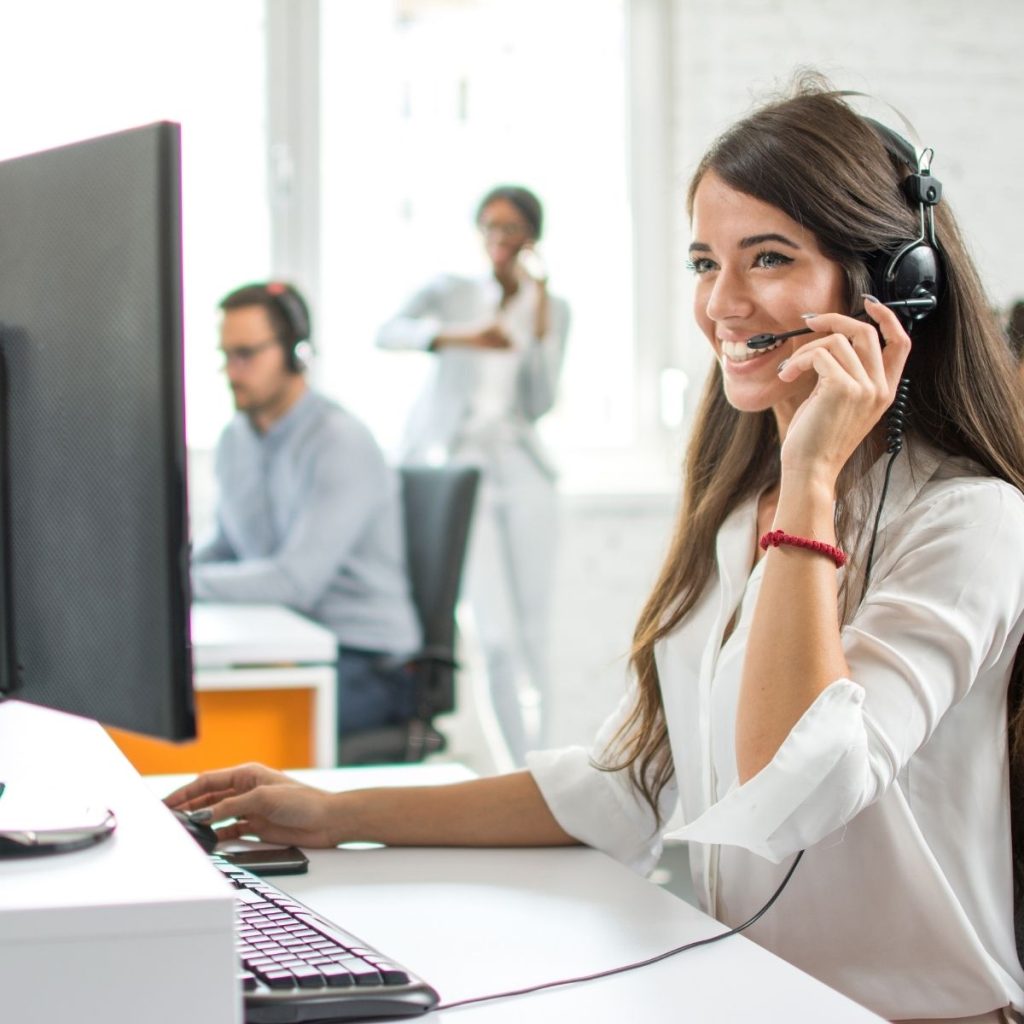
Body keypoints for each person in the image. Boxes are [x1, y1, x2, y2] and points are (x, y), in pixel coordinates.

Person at [169, 78, 1024, 1023]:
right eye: (706, 262)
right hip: (758, 997)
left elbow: (801, 793)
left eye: (768, 258)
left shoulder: (969, 521)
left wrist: (814, 475)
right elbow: (630, 781)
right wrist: (336, 814)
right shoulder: (744, 509)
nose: (723, 306)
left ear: (894, 285)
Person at [375, 185, 570, 765]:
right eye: (489, 226)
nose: (498, 239)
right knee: (495, 637)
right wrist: (460, 336)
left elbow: (539, 402)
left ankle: (547, 766)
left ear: (531, 237)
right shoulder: (452, 292)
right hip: (460, 466)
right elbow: (386, 332)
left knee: (535, 634)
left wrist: (538, 325)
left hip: (522, 465)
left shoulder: (551, 307)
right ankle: (516, 771)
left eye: (510, 228)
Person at [191, 281, 422, 745]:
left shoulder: (339, 441)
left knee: (216, 725)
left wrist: (179, 586)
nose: (232, 372)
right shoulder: (236, 438)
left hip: (369, 663)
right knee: (190, 700)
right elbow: (230, 546)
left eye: (246, 354)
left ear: (296, 353)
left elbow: (295, 582)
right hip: (291, 644)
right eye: (225, 356)